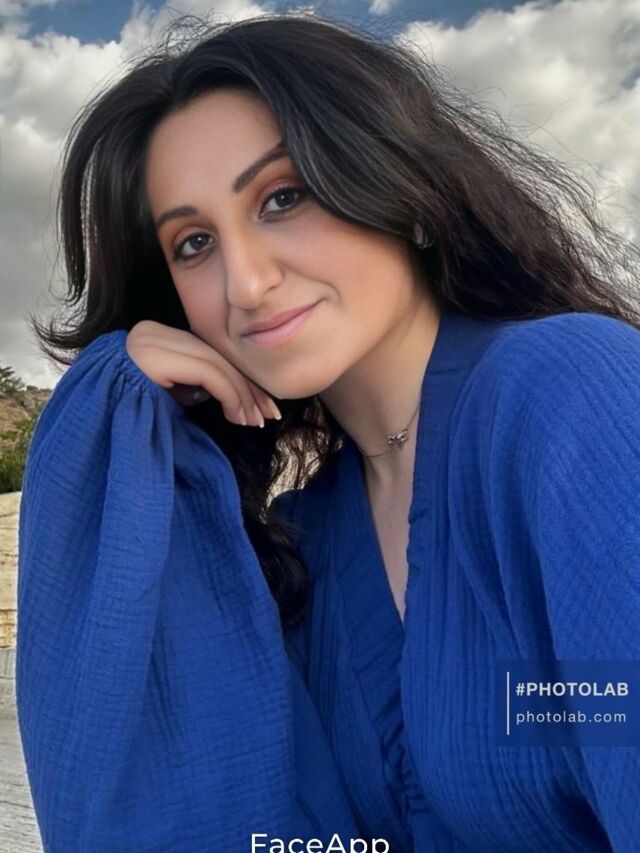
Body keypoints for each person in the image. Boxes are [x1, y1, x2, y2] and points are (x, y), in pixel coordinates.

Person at [16, 12, 640, 853]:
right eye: (193, 243)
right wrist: (116, 415)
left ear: (406, 194)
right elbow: (154, 787)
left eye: (283, 197)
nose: (245, 282)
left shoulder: (567, 394)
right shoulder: (305, 538)